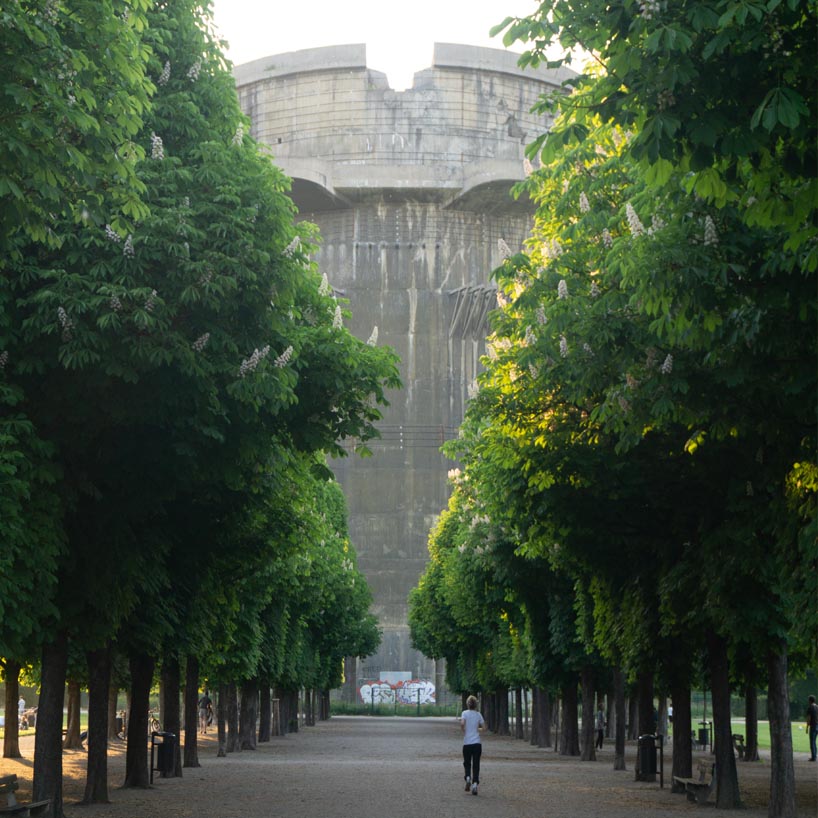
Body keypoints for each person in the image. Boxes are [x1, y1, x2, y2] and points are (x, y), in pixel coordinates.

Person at [460, 695, 485, 796]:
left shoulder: (464, 713)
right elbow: (484, 727)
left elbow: (462, 723)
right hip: (477, 743)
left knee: (467, 763)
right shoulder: (478, 714)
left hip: (467, 743)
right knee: (476, 764)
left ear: (467, 704)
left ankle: (468, 777)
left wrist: (464, 730)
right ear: (476, 705)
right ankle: (475, 784)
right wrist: (478, 729)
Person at [807, 695, 818, 762]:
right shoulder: (817, 706)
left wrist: (807, 726)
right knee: (814, 741)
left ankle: (813, 757)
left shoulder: (810, 707)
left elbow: (809, 717)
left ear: (810, 700)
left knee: (812, 742)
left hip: (813, 726)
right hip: (817, 725)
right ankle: (815, 755)